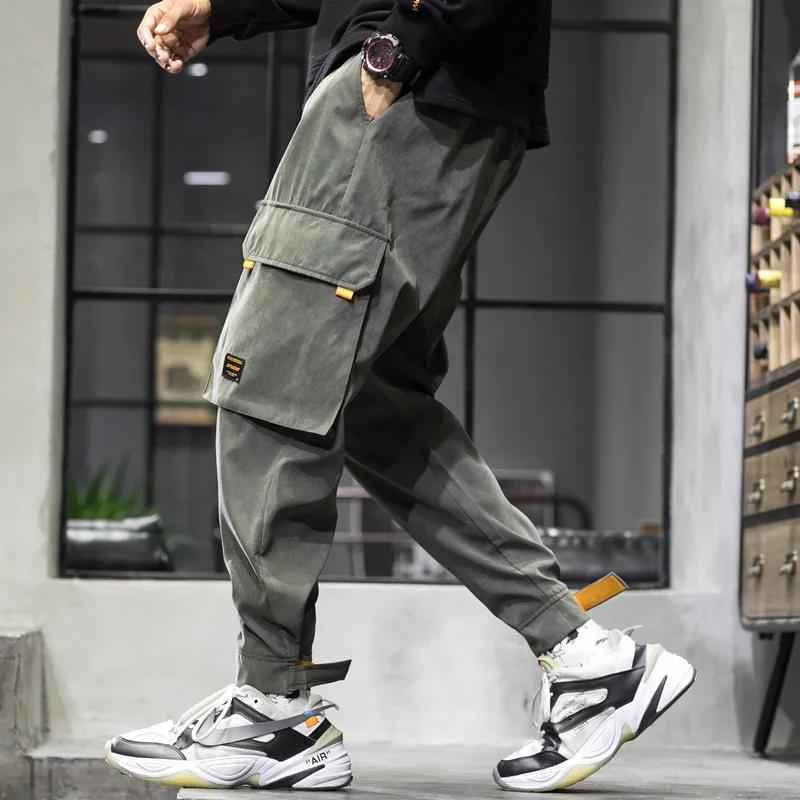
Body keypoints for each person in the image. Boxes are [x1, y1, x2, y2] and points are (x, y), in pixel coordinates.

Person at [105, 0, 696, 792]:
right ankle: (587, 658)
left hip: (408, 86)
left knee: (268, 383)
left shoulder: (404, 62)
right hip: (436, 89)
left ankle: (274, 707)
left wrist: (401, 47)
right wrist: (231, 10)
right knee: (374, 407)